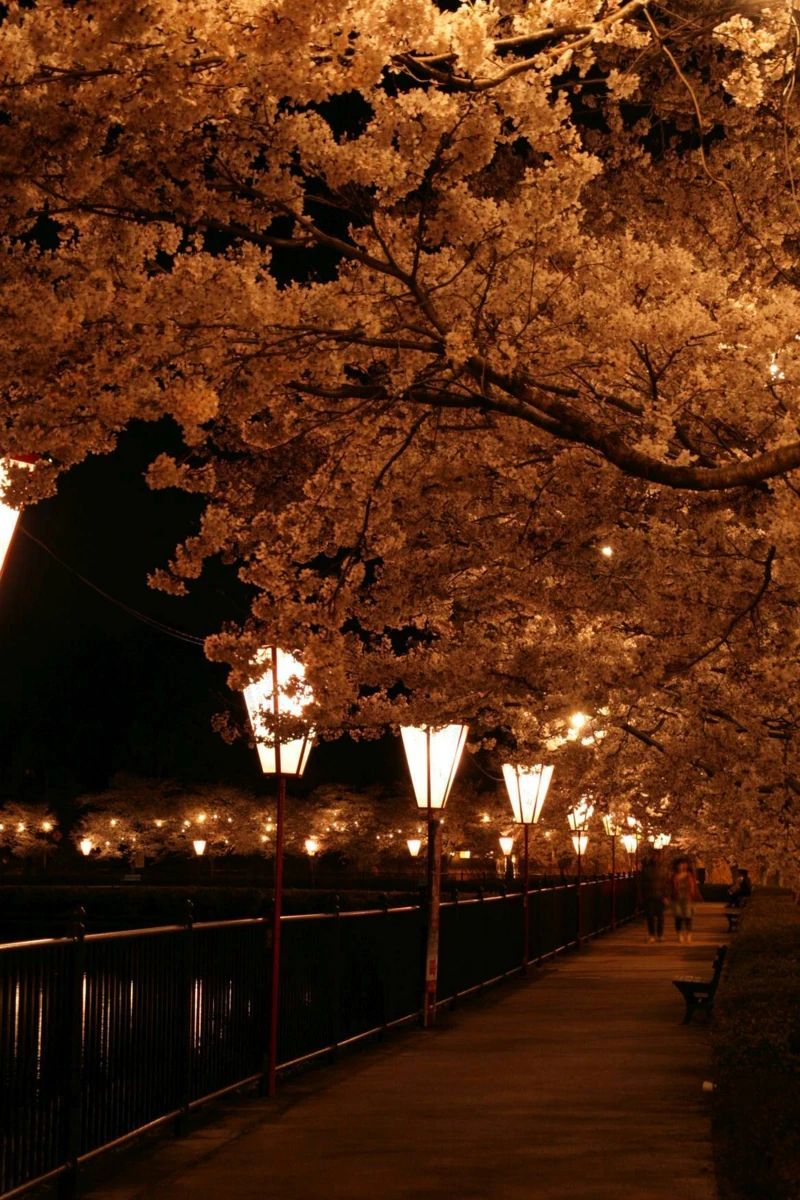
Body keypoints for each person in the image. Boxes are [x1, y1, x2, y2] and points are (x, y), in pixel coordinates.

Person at [670, 859, 703, 943]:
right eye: (680, 865)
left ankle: (688, 934)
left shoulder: (689, 876)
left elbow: (694, 887)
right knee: (678, 917)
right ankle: (679, 934)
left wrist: (696, 897)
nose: (682, 866)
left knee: (688, 917)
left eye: (683, 864)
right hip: (677, 899)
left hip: (687, 898)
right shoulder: (673, 876)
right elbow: (670, 888)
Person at [640, 849, 668, 943]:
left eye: (657, 856)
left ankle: (660, 934)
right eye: (653, 856)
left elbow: (665, 883)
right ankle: (652, 934)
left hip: (660, 895)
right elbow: (642, 883)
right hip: (650, 895)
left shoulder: (663, 869)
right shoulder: (646, 869)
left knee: (660, 916)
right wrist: (643, 895)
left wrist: (666, 895)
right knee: (650, 916)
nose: (655, 858)